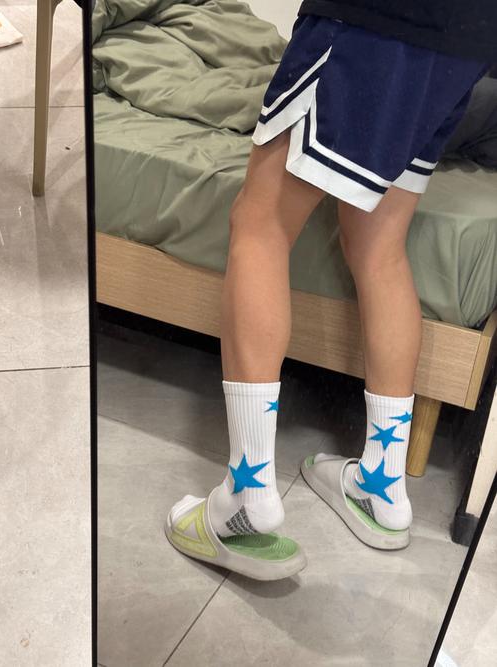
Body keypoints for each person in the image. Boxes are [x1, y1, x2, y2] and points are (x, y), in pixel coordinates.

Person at [165, 1, 496, 578]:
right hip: (466, 38)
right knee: (379, 246)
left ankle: (246, 494)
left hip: (371, 18)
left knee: (260, 225)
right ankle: (381, 487)